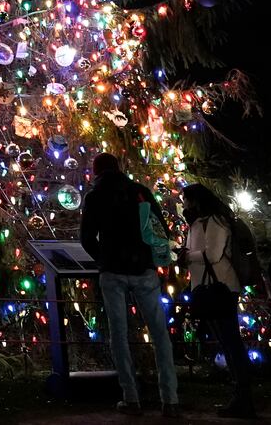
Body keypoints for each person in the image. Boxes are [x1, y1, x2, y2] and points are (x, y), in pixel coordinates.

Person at [79, 152, 180, 418]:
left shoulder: (95, 196)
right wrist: (151, 257)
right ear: (119, 168)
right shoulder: (140, 192)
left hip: (112, 271)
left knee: (119, 335)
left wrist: (103, 258)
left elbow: (87, 237)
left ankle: (130, 396)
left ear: (96, 171)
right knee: (159, 333)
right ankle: (169, 397)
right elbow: (160, 230)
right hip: (143, 269)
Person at [181, 183, 255, 418]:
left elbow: (212, 254)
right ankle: (241, 395)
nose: (184, 205)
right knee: (227, 341)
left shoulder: (214, 221)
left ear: (196, 201)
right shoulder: (200, 222)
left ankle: (243, 396)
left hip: (220, 287)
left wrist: (187, 256)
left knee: (230, 341)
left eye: (186, 200)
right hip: (211, 286)